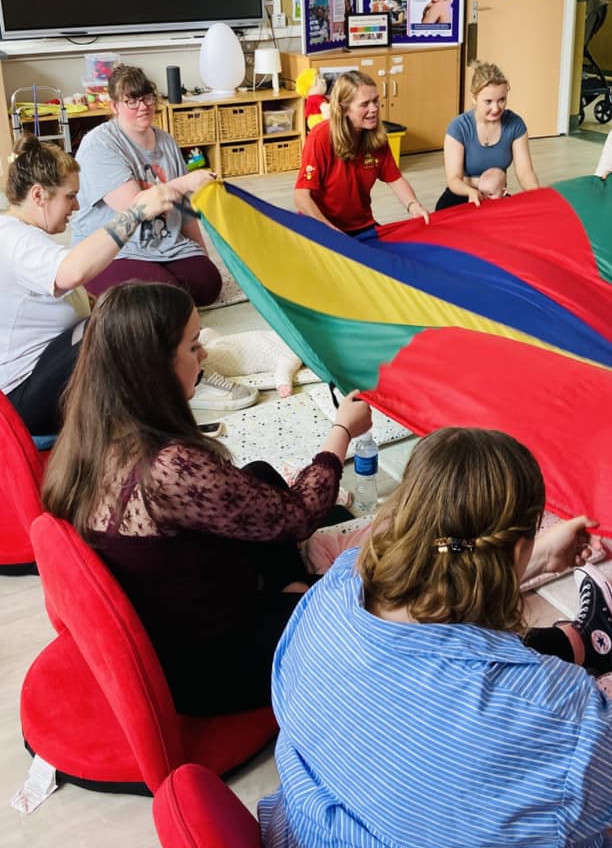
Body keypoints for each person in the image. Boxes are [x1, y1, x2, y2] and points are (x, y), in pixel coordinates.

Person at [258, 426, 612, 848]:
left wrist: (540, 556)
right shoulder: (547, 710)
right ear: (510, 551)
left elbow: (447, 567)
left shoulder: (339, 587)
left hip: (308, 833)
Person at [41, 281, 372, 716]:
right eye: (193, 345)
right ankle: (291, 598)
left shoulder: (90, 431)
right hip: (212, 666)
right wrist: (341, 431)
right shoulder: (168, 467)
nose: (204, 356)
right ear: (155, 365)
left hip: (182, 608)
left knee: (258, 474)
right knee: (376, 599)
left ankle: (290, 588)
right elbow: (300, 516)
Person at [72, 65, 256, 411]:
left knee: (207, 284)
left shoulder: (166, 141)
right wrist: (188, 182)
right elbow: (133, 206)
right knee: (163, 303)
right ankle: (182, 377)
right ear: (114, 105)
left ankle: (170, 292)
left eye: (146, 98)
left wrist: (201, 255)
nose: (142, 106)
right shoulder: (100, 144)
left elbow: (184, 209)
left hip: (164, 243)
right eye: (131, 101)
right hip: (117, 248)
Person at [1, 135, 179, 436]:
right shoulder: (15, 239)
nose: (77, 205)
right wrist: (135, 213)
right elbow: (72, 272)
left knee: (118, 314)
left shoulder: (15, 233)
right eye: (70, 196)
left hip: (36, 381)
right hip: (24, 400)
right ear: (39, 195)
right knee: (119, 325)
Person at [294, 70, 430, 235]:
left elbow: (395, 178)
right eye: (365, 104)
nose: (374, 109)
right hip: (322, 226)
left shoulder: (377, 138)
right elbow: (301, 197)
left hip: (361, 226)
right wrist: (332, 232)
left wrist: (414, 206)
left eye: (375, 101)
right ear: (343, 109)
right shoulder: (320, 137)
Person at [436, 61, 539, 210]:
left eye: (502, 100)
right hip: (464, 194)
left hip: (496, 196)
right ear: (474, 98)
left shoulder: (515, 124)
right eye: (488, 102)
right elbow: (454, 179)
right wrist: (471, 192)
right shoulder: (458, 127)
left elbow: (525, 173)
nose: (496, 108)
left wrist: (537, 195)